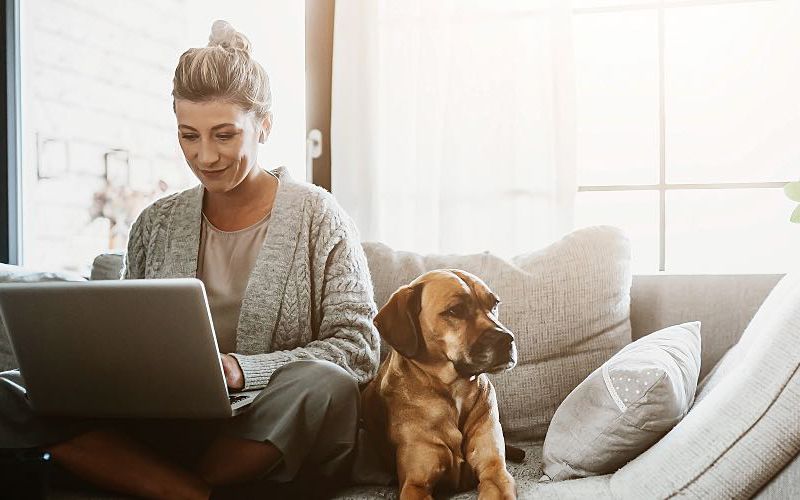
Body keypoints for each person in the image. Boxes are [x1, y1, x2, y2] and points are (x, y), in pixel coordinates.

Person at [0, 20, 380, 499]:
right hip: (163, 424)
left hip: (265, 426)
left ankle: (166, 486)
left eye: (224, 135)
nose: (205, 156)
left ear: (264, 124)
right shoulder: (155, 222)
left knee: (325, 384)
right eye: (188, 136)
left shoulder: (319, 216)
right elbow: (124, 334)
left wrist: (245, 370)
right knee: (9, 389)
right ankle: (194, 492)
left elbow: (359, 347)